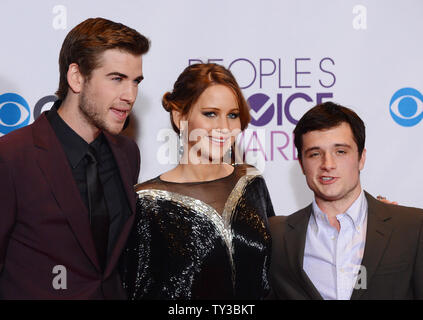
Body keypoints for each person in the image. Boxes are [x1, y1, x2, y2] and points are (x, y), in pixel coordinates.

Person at [0, 17, 150, 299]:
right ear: (77, 77)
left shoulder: (127, 154)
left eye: (135, 82)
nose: (130, 95)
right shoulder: (11, 157)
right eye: (117, 79)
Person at [120, 63, 275, 299]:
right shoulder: (145, 202)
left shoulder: (250, 181)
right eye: (210, 113)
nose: (224, 127)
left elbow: (270, 276)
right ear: (180, 115)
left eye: (232, 115)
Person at [268, 102, 423, 300]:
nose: (328, 165)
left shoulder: (412, 226)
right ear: (302, 164)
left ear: (361, 158)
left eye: (340, 151)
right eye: (315, 154)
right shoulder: (276, 236)